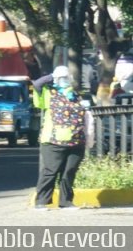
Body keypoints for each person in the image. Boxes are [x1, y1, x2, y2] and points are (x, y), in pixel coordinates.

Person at [32, 66, 94, 211]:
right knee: (51, 171)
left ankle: (66, 202)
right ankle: (41, 201)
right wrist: (52, 76)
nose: (64, 80)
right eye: (61, 78)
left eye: (66, 78)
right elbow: (37, 85)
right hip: (53, 141)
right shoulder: (48, 93)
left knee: (69, 172)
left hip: (76, 140)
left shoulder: (75, 95)